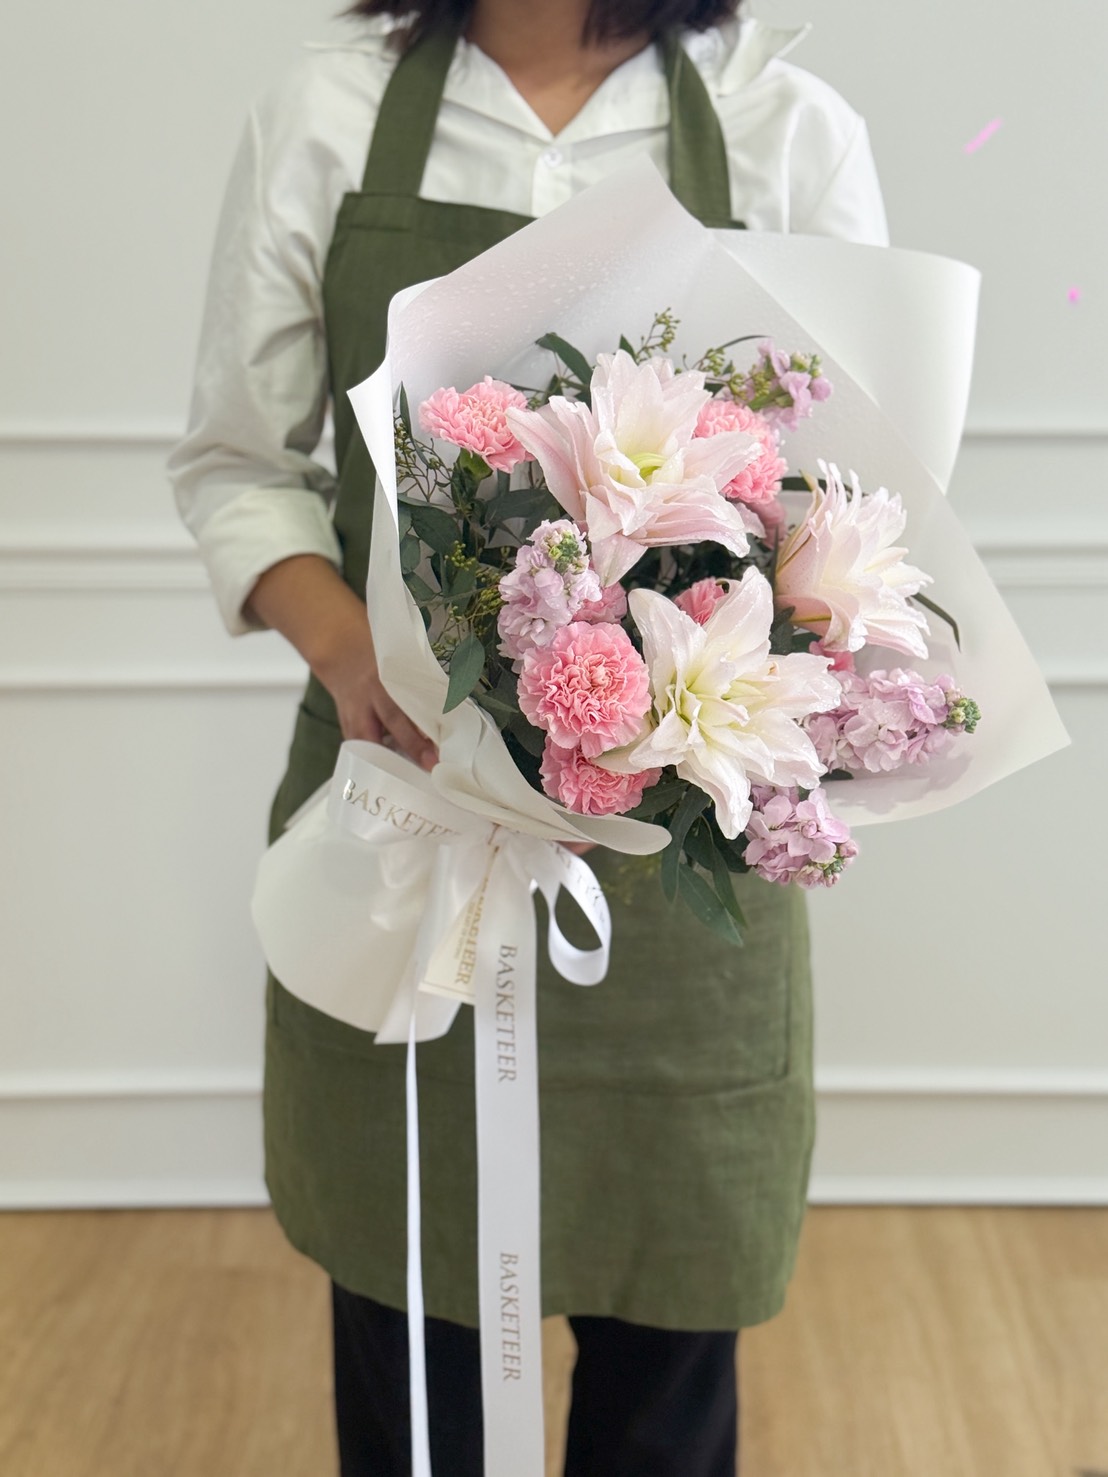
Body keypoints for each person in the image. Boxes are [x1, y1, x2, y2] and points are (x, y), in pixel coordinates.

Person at [169, 2, 888, 1473]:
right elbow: (241, 465)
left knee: (670, 1365)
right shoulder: (328, 109)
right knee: (407, 1340)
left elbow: (865, 499)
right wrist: (351, 646)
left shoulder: (783, 127)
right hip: (408, 817)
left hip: (684, 863)